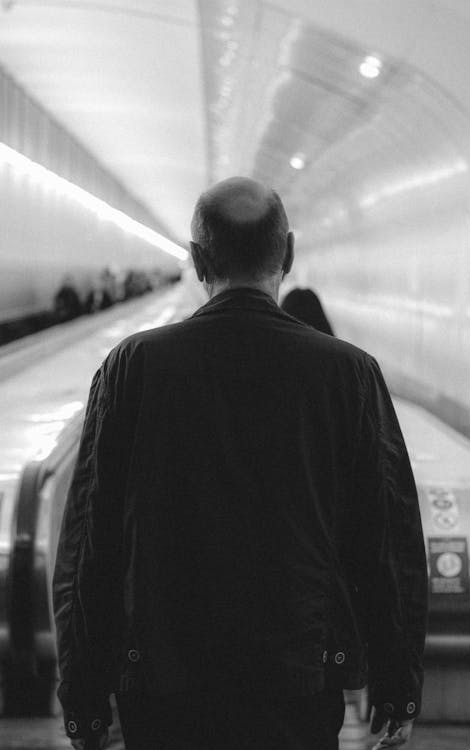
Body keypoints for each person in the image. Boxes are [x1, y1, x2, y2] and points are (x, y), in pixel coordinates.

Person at [53, 176, 428, 750]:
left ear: (198, 258)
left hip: (162, 681)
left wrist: (82, 697)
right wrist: (396, 681)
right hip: (299, 679)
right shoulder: (348, 374)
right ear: (290, 252)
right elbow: (385, 535)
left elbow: (91, 539)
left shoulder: (134, 367)